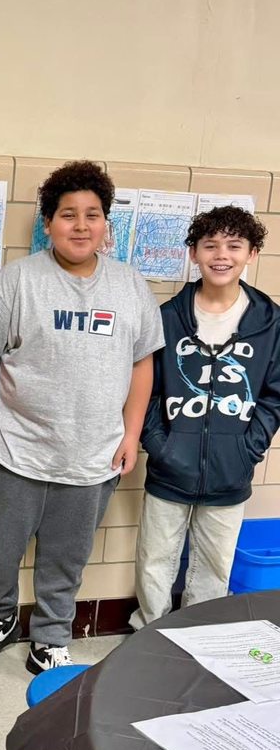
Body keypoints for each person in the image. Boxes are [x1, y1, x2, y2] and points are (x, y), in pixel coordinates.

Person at [0, 161, 164, 674]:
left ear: (106, 226)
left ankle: (50, 636)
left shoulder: (131, 287)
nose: (80, 225)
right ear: (48, 223)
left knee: (67, 557)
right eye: (67, 215)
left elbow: (143, 365)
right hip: (14, 446)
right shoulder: (19, 279)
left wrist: (132, 435)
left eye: (92, 215)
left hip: (93, 451)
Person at [131, 206, 280, 627]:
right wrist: (159, 445)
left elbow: (274, 395)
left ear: (251, 255)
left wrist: (248, 449)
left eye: (234, 245)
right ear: (194, 253)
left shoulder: (271, 324)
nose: (222, 255)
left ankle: (195, 640)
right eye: (210, 245)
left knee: (214, 565)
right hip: (169, 467)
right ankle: (149, 636)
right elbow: (148, 389)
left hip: (231, 472)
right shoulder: (166, 318)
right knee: (155, 559)